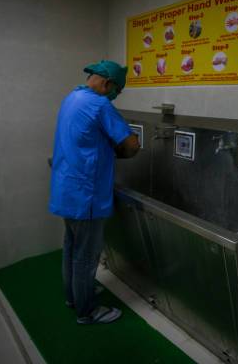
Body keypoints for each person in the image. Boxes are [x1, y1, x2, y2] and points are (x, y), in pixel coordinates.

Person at [49, 60, 140, 324]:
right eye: (116, 90)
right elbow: (132, 145)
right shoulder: (100, 105)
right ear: (106, 83)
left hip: (67, 189)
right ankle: (87, 311)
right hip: (86, 194)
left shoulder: (72, 97)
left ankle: (73, 295)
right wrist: (119, 151)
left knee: (71, 246)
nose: (114, 95)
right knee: (86, 256)